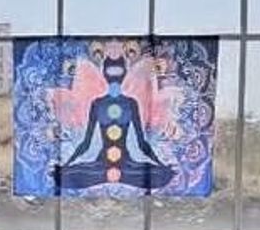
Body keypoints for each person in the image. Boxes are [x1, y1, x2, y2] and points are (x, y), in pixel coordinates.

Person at [54, 55, 175, 193]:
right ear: (104, 73)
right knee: (66, 175)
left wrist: (160, 164)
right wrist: (67, 165)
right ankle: (111, 175)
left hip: (126, 164)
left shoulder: (131, 103)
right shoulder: (97, 103)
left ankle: (115, 175)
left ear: (124, 73)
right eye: (111, 71)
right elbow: (86, 143)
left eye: (118, 71)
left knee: (158, 174)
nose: (114, 77)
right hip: (101, 164)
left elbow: (142, 143)